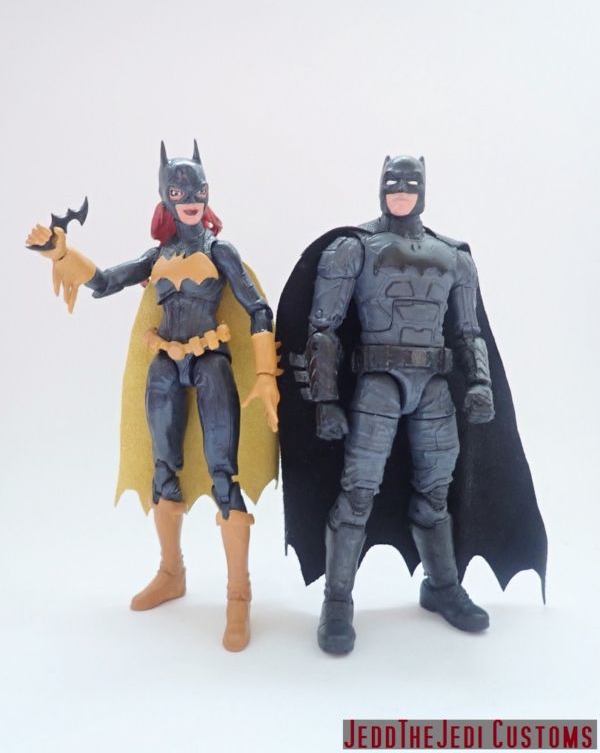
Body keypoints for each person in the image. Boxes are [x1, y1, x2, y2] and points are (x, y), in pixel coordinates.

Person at [277, 155, 546, 655]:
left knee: (437, 490)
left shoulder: (454, 256)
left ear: (424, 188)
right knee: (358, 490)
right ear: (380, 186)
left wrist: (479, 383)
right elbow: (322, 330)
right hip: (377, 381)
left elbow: (469, 331)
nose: (401, 189)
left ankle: (441, 585)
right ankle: (337, 600)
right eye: (392, 181)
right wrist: (325, 401)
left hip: (434, 384)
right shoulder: (353, 248)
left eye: (410, 182)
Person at [26, 141, 279, 652]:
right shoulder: (158, 256)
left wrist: (265, 372)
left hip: (210, 363)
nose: (191, 200)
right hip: (165, 364)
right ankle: (171, 572)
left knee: (223, 473)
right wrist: (61, 254)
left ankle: (238, 595)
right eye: (179, 192)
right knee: (163, 469)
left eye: (198, 191)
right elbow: (105, 282)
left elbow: (257, 309)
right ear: (165, 197)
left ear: (208, 194)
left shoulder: (220, 252)